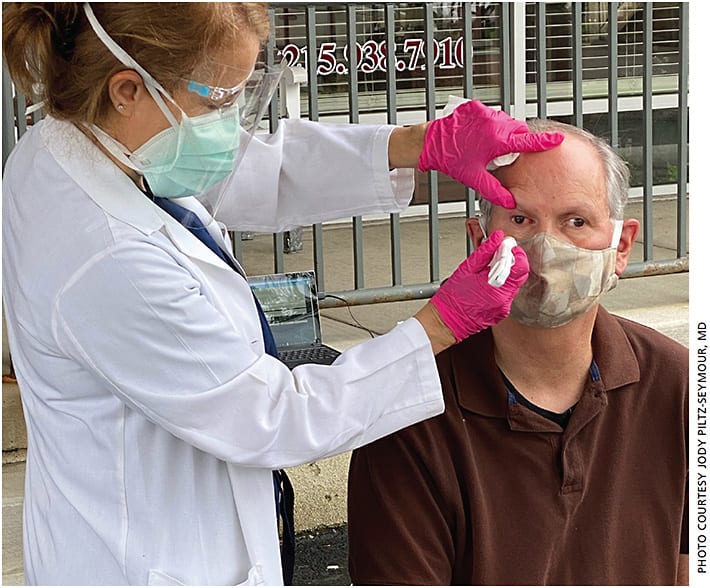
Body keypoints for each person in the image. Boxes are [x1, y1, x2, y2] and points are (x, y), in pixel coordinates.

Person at [1, 3, 564, 586]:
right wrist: (441, 323)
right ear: (127, 89)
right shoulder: (107, 256)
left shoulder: (86, 142)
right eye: (219, 102)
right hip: (142, 557)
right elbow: (273, 416)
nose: (231, 124)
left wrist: (420, 144)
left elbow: (248, 171)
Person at [348, 119, 689, 586]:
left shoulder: (681, 385)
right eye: (521, 219)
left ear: (621, 246)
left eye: (576, 221)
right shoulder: (409, 412)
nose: (546, 247)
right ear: (478, 239)